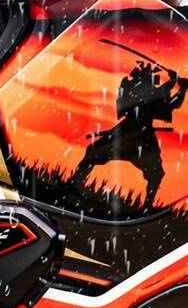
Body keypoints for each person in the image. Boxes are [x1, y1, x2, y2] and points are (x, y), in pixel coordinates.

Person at [72, 61, 187, 208]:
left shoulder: (139, 89)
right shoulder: (137, 89)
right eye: (152, 77)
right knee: (93, 153)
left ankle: (147, 206)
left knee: (155, 173)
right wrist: (178, 85)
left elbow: (165, 99)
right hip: (133, 134)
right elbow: (166, 101)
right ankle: (75, 184)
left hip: (137, 135)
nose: (156, 81)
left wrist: (176, 84)